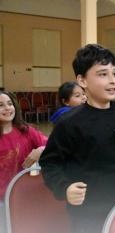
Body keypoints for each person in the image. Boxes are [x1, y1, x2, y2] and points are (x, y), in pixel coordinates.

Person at [39, 44, 115, 233]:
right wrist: (65, 188)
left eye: (114, 73)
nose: (112, 81)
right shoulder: (70, 122)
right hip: (88, 213)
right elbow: (50, 163)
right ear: (82, 80)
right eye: (102, 74)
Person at [0, 91, 47, 233]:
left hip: (19, 194)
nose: (8, 108)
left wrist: (40, 149)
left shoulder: (26, 131)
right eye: (0, 105)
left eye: (10, 104)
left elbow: (52, 144)